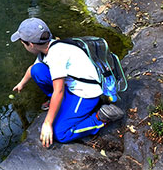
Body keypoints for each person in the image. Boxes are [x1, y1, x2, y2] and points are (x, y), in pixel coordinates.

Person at [10, 17, 124, 148]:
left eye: (23, 43)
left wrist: (47, 122)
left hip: (85, 93)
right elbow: (32, 69)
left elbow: (58, 90)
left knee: (60, 133)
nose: (23, 46)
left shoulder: (56, 56)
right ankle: (56, 101)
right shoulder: (48, 47)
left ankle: (100, 118)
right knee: (38, 70)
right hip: (71, 86)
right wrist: (21, 83)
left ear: (31, 44)